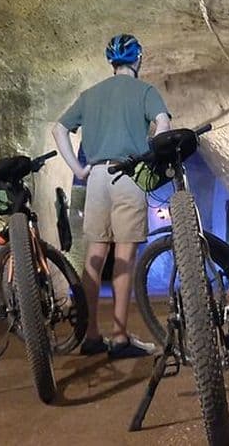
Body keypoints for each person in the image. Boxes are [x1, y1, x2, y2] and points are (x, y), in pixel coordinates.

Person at [52, 34, 172, 359]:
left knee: (95, 257)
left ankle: (90, 335)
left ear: (112, 62)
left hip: (97, 179)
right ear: (138, 59)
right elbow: (162, 122)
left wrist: (78, 169)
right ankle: (120, 338)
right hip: (128, 174)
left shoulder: (91, 95)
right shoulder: (144, 91)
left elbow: (59, 129)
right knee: (125, 258)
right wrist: (154, 154)